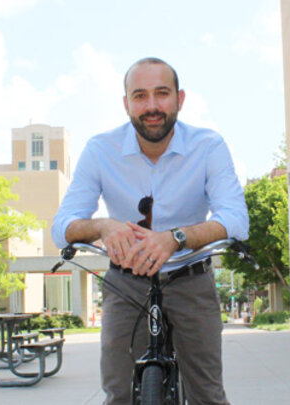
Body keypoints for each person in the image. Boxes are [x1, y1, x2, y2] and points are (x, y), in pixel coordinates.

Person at [52, 57, 248, 405]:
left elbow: (235, 218)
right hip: (125, 281)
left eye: (162, 93)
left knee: (207, 394)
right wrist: (103, 226)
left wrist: (177, 238)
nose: (152, 106)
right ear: (126, 103)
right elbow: (62, 227)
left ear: (179, 99)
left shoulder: (208, 146)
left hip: (191, 278)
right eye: (140, 96)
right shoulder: (100, 150)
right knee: (118, 393)